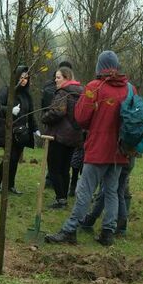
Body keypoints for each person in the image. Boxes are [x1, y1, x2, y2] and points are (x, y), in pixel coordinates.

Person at [45, 51, 131, 247]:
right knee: (111, 191)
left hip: (98, 149)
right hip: (119, 151)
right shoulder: (128, 88)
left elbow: (82, 117)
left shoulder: (95, 87)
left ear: (99, 67)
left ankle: (70, 230)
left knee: (85, 190)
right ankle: (108, 232)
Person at [39, 66, 83, 210]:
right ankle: (63, 198)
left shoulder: (63, 93)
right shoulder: (80, 93)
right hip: (74, 137)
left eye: (58, 77)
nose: (55, 80)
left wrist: (44, 118)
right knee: (65, 169)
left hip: (59, 136)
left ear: (67, 78)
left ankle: (60, 199)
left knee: (54, 169)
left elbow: (58, 112)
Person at [0, 66, 36, 194]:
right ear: (17, 77)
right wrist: (9, 110)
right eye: (22, 77)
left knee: (15, 159)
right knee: (9, 157)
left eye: (26, 78)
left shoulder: (27, 95)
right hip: (8, 130)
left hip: (21, 133)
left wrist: (35, 129)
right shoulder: (7, 90)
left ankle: (11, 185)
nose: (24, 80)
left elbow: (31, 114)